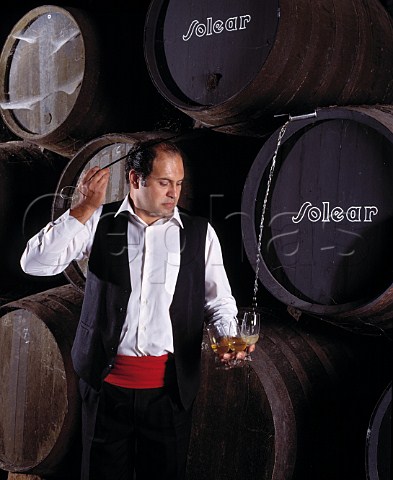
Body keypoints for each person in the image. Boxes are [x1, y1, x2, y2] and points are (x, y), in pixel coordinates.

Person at [20, 140, 254, 480]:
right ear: (135, 179)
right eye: (164, 182)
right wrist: (85, 207)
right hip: (105, 390)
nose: (174, 192)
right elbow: (34, 263)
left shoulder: (200, 233)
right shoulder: (98, 222)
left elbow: (219, 303)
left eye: (178, 183)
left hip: (168, 394)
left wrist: (227, 337)